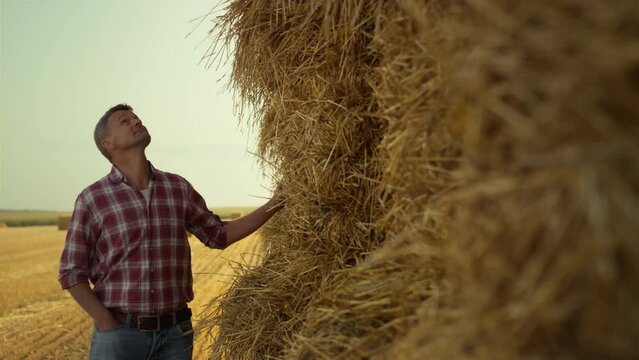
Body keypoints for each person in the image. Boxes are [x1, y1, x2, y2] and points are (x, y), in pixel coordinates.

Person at [58, 103, 283, 360]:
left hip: (175, 336)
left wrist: (274, 205)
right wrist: (107, 323)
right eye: (125, 121)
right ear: (109, 144)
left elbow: (219, 234)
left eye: (135, 117)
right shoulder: (93, 198)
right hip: (120, 338)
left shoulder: (178, 188)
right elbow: (71, 272)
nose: (135, 121)